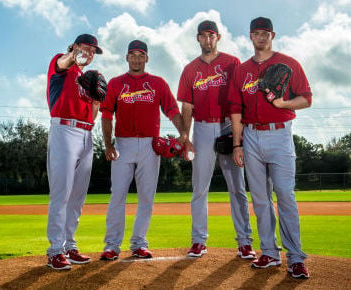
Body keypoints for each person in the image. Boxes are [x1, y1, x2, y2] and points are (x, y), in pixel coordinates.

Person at [229, 17, 312, 278]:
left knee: (285, 195)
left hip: (280, 135)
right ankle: (269, 252)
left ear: (272, 35)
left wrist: (284, 104)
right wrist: (237, 144)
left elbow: (306, 99)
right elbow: (235, 109)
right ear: (251, 36)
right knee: (261, 200)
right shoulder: (241, 71)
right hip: (251, 135)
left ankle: (296, 257)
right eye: (256, 33)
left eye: (265, 33)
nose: (261, 37)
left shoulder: (289, 63)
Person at [100, 40, 188, 260]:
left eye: (141, 55)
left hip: (150, 144)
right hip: (122, 143)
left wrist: (184, 135)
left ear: (147, 58)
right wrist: (108, 143)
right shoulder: (116, 83)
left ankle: (139, 243)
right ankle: (112, 245)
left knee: (146, 197)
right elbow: (106, 114)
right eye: (133, 55)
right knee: (117, 195)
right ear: (127, 58)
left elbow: (172, 110)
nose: (137, 59)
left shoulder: (157, 83)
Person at [177, 20, 255, 258]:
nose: (207, 40)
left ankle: (244, 242)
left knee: (238, 188)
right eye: (203, 36)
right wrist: (186, 137)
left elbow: (242, 99)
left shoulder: (232, 63)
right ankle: (199, 240)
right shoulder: (190, 69)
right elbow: (187, 106)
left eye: (211, 36)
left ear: (218, 37)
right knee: (200, 188)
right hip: (201, 127)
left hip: (227, 125)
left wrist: (238, 136)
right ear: (198, 39)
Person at [46, 33, 103, 270]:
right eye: (86, 49)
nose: (89, 54)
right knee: (62, 194)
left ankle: (69, 245)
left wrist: (97, 100)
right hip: (64, 130)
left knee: (77, 198)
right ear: (75, 47)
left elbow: (91, 117)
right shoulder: (62, 64)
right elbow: (63, 62)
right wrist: (72, 56)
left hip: (85, 133)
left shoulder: (86, 78)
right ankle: (54, 251)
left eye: (93, 51)